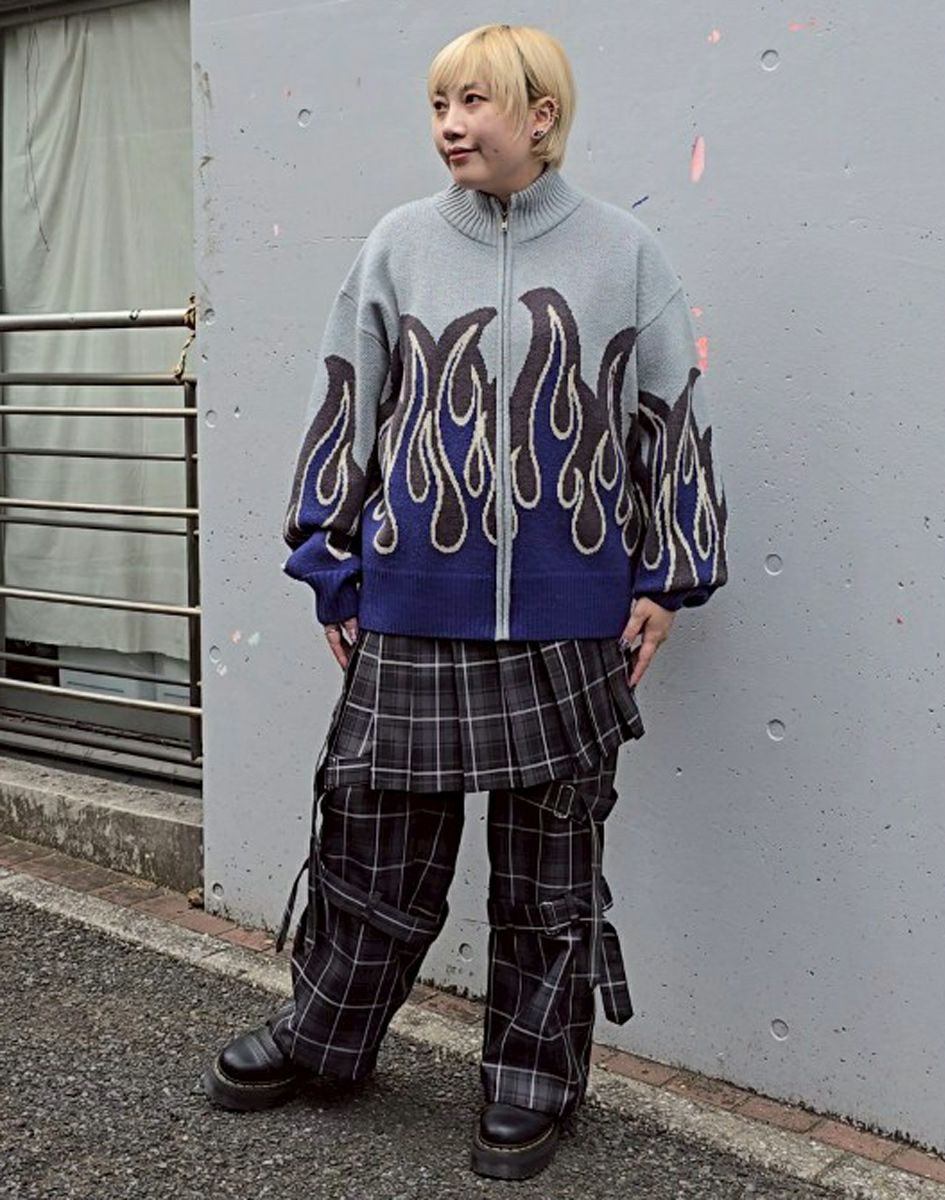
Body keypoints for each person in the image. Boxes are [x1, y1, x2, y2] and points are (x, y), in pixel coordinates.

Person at [199, 22, 730, 1182]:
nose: (449, 124)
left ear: (541, 116)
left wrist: (666, 577)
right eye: (439, 103)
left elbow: (670, 417)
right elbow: (347, 400)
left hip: (570, 623)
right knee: (372, 852)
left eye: (474, 101)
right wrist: (332, 564)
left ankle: (533, 1078)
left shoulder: (626, 254)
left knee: (550, 876)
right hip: (411, 606)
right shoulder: (395, 247)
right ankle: (325, 1036)